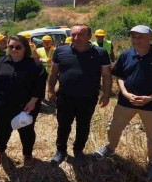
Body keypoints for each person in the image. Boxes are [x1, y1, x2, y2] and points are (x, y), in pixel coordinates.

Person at [94, 25, 152, 180]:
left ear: (150, 37)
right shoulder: (126, 55)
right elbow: (120, 76)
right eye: (134, 36)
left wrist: (151, 97)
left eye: (141, 36)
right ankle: (110, 148)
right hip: (126, 101)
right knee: (114, 128)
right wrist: (125, 93)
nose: (136, 40)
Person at [47, 24, 112, 166]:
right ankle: (61, 151)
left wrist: (106, 94)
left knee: (83, 125)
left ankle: (78, 151)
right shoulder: (60, 51)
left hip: (88, 97)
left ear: (89, 36)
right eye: (74, 35)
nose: (76, 38)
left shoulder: (100, 53)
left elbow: (106, 75)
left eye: (80, 35)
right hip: (65, 96)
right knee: (63, 125)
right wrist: (51, 90)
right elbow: (53, 73)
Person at [0, 35, 47, 168]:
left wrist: (33, 101)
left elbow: (39, 86)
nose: (14, 49)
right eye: (11, 46)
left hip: (27, 105)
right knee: (1, 130)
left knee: (27, 130)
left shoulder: (35, 65)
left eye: (18, 47)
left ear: (25, 48)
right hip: (2, 104)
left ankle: (27, 154)